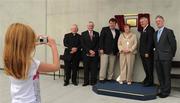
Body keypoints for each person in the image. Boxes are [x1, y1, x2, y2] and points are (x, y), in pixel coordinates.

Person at [3, 23, 60, 103]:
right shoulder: (31, 64)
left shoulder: (8, 59)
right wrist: (53, 46)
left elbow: (20, 47)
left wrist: (36, 41)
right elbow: (56, 67)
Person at [154, 15, 177, 98]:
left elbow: (173, 45)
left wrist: (171, 55)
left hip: (166, 58)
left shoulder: (169, 31)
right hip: (157, 58)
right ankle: (162, 90)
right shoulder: (155, 33)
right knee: (160, 75)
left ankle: (166, 92)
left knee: (166, 75)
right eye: (156, 21)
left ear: (163, 21)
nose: (158, 22)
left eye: (159, 21)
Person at [99, 18, 120, 82]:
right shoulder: (104, 29)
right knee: (104, 65)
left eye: (113, 23)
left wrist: (118, 51)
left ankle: (109, 78)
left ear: (115, 24)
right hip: (105, 51)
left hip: (113, 51)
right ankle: (102, 78)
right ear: (109, 23)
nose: (112, 24)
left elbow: (118, 42)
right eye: (110, 23)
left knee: (111, 66)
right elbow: (101, 39)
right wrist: (101, 48)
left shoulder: (117, 31)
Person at [81, 21, 99, 86]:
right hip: (86, 54)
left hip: (94, 54)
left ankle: (93, 82)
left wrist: (94, 51)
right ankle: (86, 82)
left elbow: (98, 44)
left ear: (93, 26)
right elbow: (83, 44)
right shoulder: (83, 33)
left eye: (92, 26)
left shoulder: (97, 33)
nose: (90, 27)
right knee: (86, 68)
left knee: (94, 69)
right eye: (89, 26)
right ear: (87, 26)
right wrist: (89, 51)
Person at [139, 17, 155, 86]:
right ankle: (147, 79)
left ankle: (150, 81)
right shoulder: (143, 29)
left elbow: (150, 42)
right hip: (142, 53)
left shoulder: (150, 29)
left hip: (147, 53)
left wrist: (147, 52)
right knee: (145, 67)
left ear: (147, 21)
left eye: (143, 21)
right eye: (140, 22)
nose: (141, 23)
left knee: (149, 67)